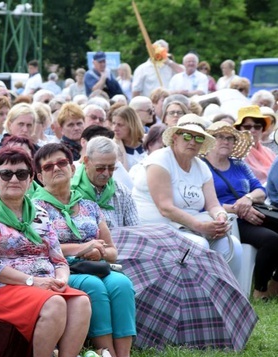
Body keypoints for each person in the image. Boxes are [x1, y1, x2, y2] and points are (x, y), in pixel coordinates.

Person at [0, 147, 91, 357]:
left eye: (22, 174)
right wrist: (34, 282)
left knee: (81, 302)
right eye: (6, 174)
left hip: (42, 285)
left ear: (30, 178)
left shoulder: (40, 213)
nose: (14, 179)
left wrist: (61, 279)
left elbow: (58, 258)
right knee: (55, 303)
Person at [31, 143, 146, 357]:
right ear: (40, 176)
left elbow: (112, 251)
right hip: (59, 268)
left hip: (96, 264)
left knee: (122, 284)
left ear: (73, 169)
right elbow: (40, 248)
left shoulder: (88, 205)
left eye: (62, 163)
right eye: (48, 166)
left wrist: (99, 252)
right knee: (93, 287)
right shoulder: (35, 207)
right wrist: (83, 248)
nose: (57, 169)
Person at [131, 114, 242, 278]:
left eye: (198, 138)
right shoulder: (159, 160)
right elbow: (165, 208)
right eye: (188, 136)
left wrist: (220, 217)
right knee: (199, 245)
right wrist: (200, 227)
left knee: (233, 245)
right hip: (157, 228)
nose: (192, 141)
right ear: (175, 137)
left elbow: (213, 204)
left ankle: (230, 296)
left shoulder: (201, 167)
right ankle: (196, 300)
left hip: (191, 227)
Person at [203, 121, 278, 299]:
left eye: (230, 138)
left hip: (252, 212)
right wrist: (238, 209)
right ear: (210, 140)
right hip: (227, 219)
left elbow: (261, 189)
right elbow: (203, 202)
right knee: (272, 240)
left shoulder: (239, 165)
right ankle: (260, 290)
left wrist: (248, 198)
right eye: (220, 137)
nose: (225, 141)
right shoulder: (201, 167)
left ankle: (275, 282)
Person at [71, 136, 139, 229]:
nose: (106, 173)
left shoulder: (122, 192)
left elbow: (135, 230)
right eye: (100, 168)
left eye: (111, 167)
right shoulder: (70, 191)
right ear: (86, 161)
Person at [234, 105, 275, 184]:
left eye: (257, 127)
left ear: (262, 129)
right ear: (239, 129)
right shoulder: (236, 153)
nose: (252, 130)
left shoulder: (269, 152)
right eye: (247, 127)